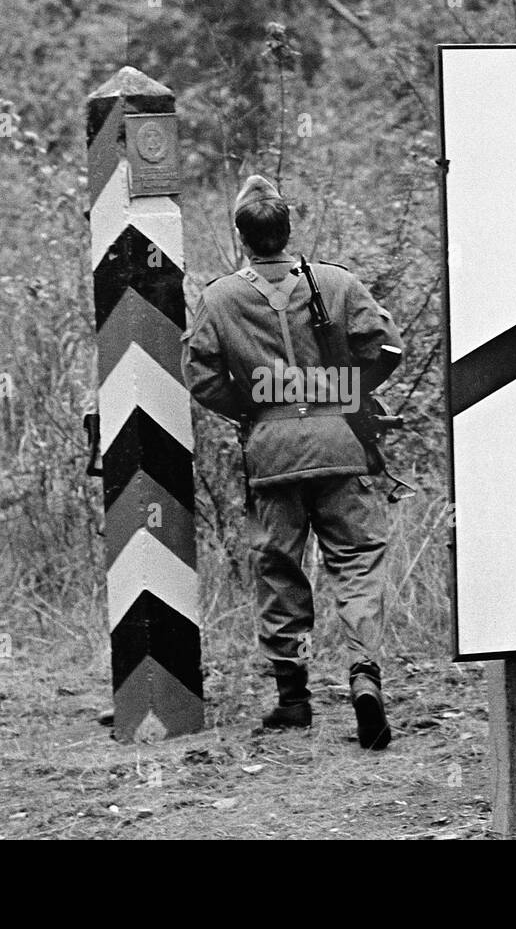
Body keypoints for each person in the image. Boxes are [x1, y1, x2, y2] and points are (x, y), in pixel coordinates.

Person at [181, 174, 404, 750]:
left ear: (242, 237)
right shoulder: (338, 282)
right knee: (356, 563)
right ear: (289, 228)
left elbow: (201, 377)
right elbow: (385, 347)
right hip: (341, 448)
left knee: (279, 571)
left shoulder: (219, 298)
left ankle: (294, 699)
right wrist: (346, 393)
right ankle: (363, 675)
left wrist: (255, 410)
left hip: (272, 455)